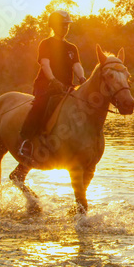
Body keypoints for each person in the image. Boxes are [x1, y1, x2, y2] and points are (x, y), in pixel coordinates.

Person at [18, 10, 86, 159]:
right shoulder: (46, 44)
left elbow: (77, 66)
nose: (65, 28)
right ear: (53, 26)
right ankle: (27, 141)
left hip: (66, 87)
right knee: (40, 105)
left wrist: (82, 79)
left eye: (67, 25)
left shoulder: (71, 48)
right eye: (62, 25)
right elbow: (45, 64)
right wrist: (53, 80)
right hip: (46, 85)